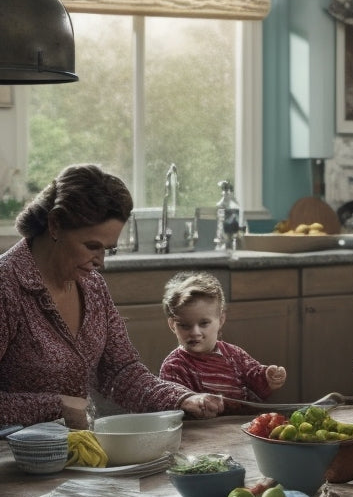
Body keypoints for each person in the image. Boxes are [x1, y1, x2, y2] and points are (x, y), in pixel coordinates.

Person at [0, 163, 224, 430]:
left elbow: (122, 372)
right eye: (92, 246)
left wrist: (183, 398)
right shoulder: (7, 287)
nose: (101, 262)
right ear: (55, 225)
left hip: (75, 447)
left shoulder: (92, 287)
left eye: (108, 249)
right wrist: (57, 407)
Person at [160, 271, 287, 412]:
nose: (195, 332)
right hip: (200, 430)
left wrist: (268, 378)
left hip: (240, 426)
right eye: (185, 325)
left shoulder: (234, 354)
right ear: (172, 325)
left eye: (204, 323)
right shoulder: (173, 367)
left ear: (220, 320)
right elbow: (173, 405)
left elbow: (256, 379)